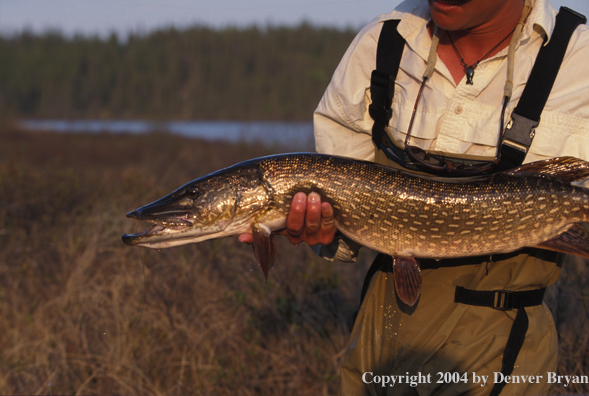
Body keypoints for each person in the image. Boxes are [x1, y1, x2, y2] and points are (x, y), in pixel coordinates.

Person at [241, 0, 589, 394]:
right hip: (381, 333)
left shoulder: (580, 60)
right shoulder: (383, 41)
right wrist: (324, 233)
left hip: (500, 352)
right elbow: (341, 226)